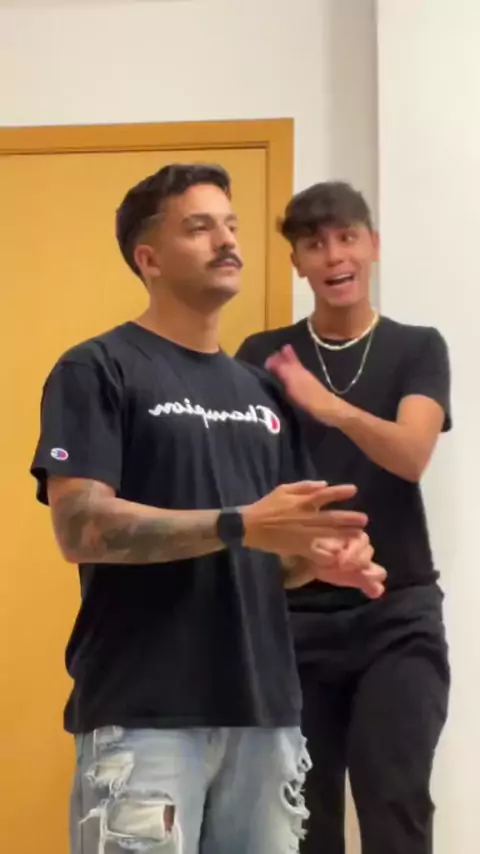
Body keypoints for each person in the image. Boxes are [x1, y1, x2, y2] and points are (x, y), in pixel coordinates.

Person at [30, 165, 386, 854]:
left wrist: (318, 559)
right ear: (149, 258)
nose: (227, 241)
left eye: (230, 225)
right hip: (144, 716)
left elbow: (275, 555)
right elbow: (81, 527)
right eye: (199, 227)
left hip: (266, 717)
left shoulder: (262, 392)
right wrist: (241, 523)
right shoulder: (98, 368)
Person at [236, 181, 451, 854]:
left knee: (395, 799)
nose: (333, 256)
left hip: (398, 614)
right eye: (314, 244)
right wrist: (303, 550)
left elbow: (411, 454)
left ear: (373, 246)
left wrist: (328, 407)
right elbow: (242, 482)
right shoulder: (261, 355)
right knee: (301, 817)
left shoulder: (417, 347)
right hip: (292, 619)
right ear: (296, 261)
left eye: (347, 237)